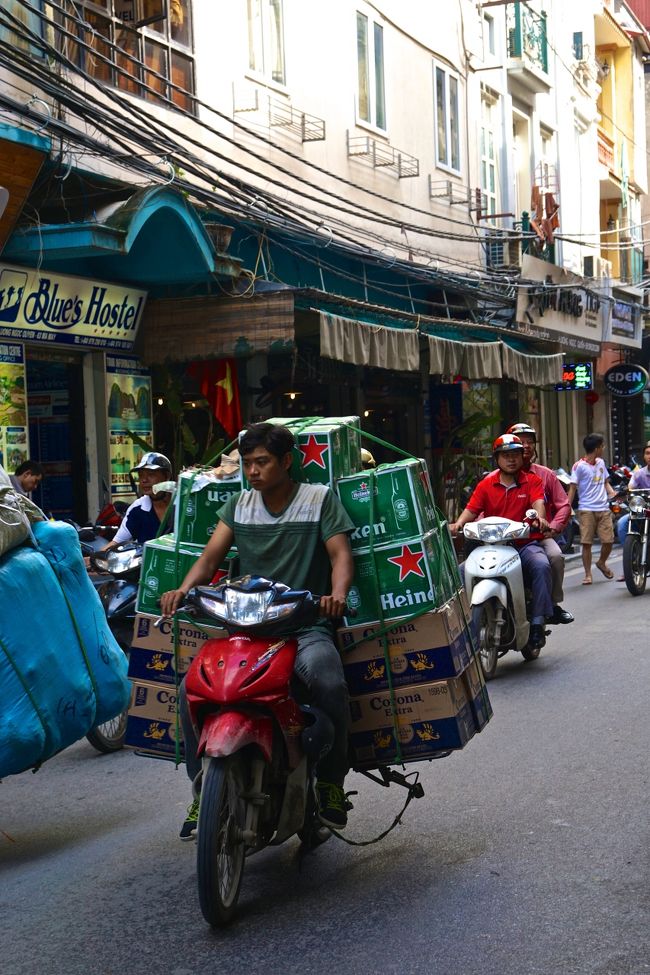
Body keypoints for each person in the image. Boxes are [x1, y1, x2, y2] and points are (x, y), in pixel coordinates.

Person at [159, 422, 355, 838]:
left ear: (286, 461)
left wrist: (336, 595)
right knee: (188, 691)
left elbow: (340, 555)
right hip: (246, 628)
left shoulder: (318, 500)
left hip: (303, 626)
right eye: (248, 463)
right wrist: (183, 589)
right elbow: (210, 560)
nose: (253, 471)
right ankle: (202, 793)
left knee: (327, 680)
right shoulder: (240, 506)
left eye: (262, 462)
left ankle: (332, 783)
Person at [449, 433, 553, 649]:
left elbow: (538, 503)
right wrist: (458, 524)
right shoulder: (486, 484)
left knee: (542, 566)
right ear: (496, 458)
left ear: (522, 457)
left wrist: (540, 518)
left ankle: (537, 623)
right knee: (460, 572)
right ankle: (462, 626)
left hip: (523, 545)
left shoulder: (531, 481)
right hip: (491, 546)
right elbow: (471, 509)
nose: (511, 459)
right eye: (506, 455)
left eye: (515, 454)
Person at [506, 423, 574, 625]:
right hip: (505, 539)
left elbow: (564, 505)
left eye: (529, 442)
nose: (526, 446)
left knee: (554, 557)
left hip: (538, 537)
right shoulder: (494, 478)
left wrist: (552, 527)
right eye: (521, 442)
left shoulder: (545, 475)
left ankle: (552, 605)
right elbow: (481, 509)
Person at [566, 433, 618, 585]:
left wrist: (612, 493)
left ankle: (601, 562)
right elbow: (572, 488)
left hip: (603, 508)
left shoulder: (601, 462)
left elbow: (605, 482)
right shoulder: (578, 466)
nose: (603, 448)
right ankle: (588, 574)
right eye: (602, 446)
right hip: (586, 509)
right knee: (586, 543)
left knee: (608, 541)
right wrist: (567, 508)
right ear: (596, 448)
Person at [109, 452, 174, 547]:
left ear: (167, 476)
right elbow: (117, 542)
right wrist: (92, 559)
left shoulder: (184, 505)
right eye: (141, 475)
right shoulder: (137, 508)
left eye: (151, 474)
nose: (144, 480)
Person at [615, 441, 650, 545]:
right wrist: (625, 493)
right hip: (642, 511)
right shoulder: (639, 474)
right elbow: (631, 487)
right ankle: (630, 554)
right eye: (647, 453)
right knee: (622, 524)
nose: (649, 456)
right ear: (644, 456)